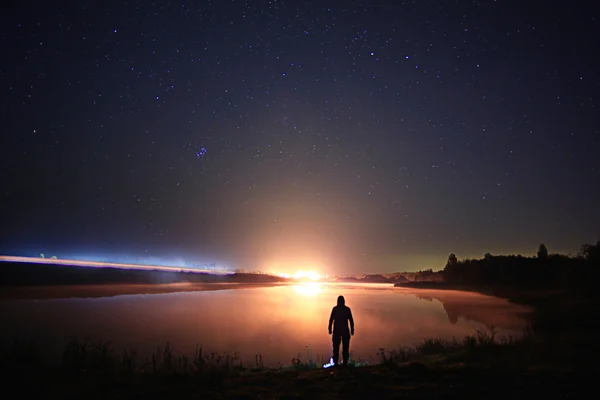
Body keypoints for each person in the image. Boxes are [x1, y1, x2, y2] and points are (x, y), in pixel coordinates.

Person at [328, 295, 354, 366]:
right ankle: (342, 362)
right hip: (342, 331)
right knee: (342, 347)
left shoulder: (336, 309)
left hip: (339, 331)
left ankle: (339, 363)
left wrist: (329, 328)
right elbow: (351, 320)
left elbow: (331, 319)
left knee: (338, 347)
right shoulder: (346, 309)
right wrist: (352, 330)